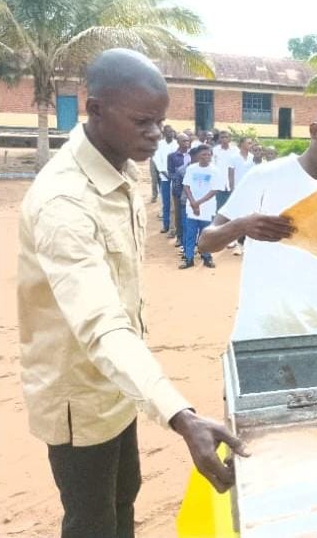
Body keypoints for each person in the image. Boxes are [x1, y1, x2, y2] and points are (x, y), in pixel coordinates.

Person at [17, 48, 246, 538]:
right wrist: (182, 417)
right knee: (93, 520)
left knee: (125, 497)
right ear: (95, 109)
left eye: (160, 122)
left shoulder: (124, 170)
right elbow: (101, 324)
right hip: (79, 392)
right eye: (143, 121)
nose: (156, 135)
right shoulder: (63, 201)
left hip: (124, 383)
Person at [197, 100, 317, 340]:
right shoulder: (265, 177)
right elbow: (205, 243)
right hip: (259, 331)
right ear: (314, 131)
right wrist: (243, 225)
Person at [180, 144, 218, 269]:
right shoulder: (191, 169)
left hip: (207, 208)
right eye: (203, 154)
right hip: (191, 207)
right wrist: (193, 203)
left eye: (208, 154)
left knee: (206, 234)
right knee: (190, 234)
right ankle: (189, 258)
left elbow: (214, 190)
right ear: (198, 156)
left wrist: (198, 203)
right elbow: (186, 186)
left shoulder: (215, 170)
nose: (206, 157)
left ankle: (207, 257)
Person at [229, 137, 256, 256]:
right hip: (237, 191)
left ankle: (244, 243)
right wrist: (232, 189)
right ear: (241, 144)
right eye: (248, 143)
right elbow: (231, 174)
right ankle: (235, 241)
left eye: (251, 143)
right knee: (237, 217)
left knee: (248, 217)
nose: (251, 145)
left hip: (250, 192)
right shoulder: (234, 157)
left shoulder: (253, 157)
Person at [168, 132, 192, 248]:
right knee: (178, 214)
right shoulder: (172, 156)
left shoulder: (193, 154)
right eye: (184, 141)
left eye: (188, 141)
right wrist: (180, 177)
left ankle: (191, 237)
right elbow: (171, 173)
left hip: (192, 188)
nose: (187, 143)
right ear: (178, 142)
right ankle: (179, 237)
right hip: (178, 189)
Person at [153, 125, 176, 233]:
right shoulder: (159, 145)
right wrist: (164, 172)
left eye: (171, 132)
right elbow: (157, 160)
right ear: (164, 133)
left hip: (176, 178)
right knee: (166, 202)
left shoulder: (177, 144)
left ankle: (174, 227)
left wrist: (173, 174)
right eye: (167, 132)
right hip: (164, 178)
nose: (170, 133)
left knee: (175, 204)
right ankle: (166, 225)